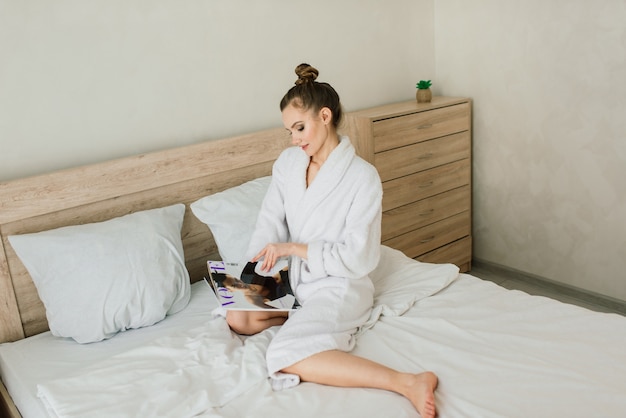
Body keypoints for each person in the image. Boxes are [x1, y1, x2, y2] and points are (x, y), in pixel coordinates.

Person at [225, 63, 438, 418]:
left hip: (338, 284)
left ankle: (407, 382)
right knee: (237, 316)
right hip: (295, 278)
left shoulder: (362, 178)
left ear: (324, 116)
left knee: (285, 353)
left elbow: (359, 257)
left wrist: (294, 249)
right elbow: (269, 221)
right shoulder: (288, 164)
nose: (294, 139)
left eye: (299, 128)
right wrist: (256, 269)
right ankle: (298, 312)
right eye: (289, 131)